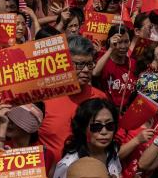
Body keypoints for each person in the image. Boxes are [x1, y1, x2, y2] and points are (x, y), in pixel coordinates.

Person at [38, 35, 108, 164]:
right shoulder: (43, 97)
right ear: (64, 64)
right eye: (80, 64)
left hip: (88, 176)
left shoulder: (100, 98)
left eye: (90, 64)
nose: (86, 70)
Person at [93, 25, 137, 111]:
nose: (123, 46)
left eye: (126, 41)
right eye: (119, 42)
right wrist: (111, 48)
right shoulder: (103, 59)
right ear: (111, 41)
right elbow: (95, 72)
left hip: (126, 113)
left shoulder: (133, 63)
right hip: (107, 111)